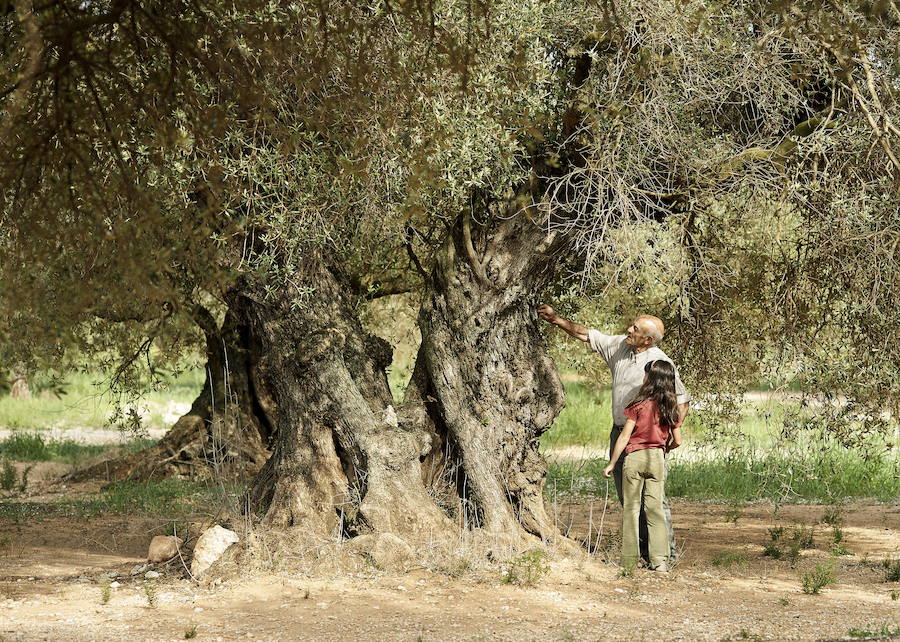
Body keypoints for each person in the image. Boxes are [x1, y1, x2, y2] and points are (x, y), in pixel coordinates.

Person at [537, 305, 690, 562]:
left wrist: (667, 434)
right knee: (628, 496)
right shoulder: (620, 346)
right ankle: (642, 552)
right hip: (620, 432)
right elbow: (587, 335)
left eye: (635, 329)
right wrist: (555, 320)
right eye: (631, 326)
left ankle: (666, 554)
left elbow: (682, 401)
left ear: (648, 339)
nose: (628, 330)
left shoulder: (660, 362)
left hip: (647, 440)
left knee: (654, 500)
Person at [603, 360, 683, 571]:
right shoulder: (671, 408)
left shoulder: (637, 405)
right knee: (655, 510)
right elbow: (678, 440)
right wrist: (664, 449)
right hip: (656, 459)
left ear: (650, 378)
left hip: (634, 458)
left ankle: (629, 560)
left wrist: (612, 463)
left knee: (631, 509)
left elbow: (623, 437)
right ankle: (660, 562)